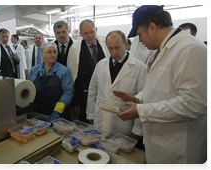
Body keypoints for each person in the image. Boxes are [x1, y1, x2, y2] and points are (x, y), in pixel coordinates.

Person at [113, 5, 209, 168]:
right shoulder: (163, 51)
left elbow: (193, 104)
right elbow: (159, 89)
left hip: (178, 149)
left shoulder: (191, 49)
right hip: (159, 144)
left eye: (140, 35)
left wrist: (141, 111)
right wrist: (138, 98)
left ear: (152, 27)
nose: (140, 41)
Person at [86, 30, 147, 149]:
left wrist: (138, 129)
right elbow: (92, 91)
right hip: (100, 118)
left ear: (126, 44)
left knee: (119, 157)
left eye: (117, 47)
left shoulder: (139, 67)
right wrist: (90, 114)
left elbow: (143, 96)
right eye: (110, 48)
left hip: (123, 123)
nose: (114, 52)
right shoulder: (100, 65)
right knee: (100, 152)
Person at [67, 19, 110, 123]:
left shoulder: (105, 44)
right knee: (86, 125)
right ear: (81, 34)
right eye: (86, 33)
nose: (90, 35)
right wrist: (75, 101)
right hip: (84, 96)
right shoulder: (75, 49)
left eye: (92, 32)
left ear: (96, 30)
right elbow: (73, 76)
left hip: (104, 92)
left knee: (104, 123)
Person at [27, 42, 74, 122]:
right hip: (37, 112)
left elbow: (68, 92)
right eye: (49, 52)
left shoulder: (63, 71)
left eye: (55, 52)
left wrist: (57, 111)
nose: (53, 54)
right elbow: (28, 89)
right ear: (42, 54)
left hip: (57, 114)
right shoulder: (34, 70)